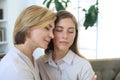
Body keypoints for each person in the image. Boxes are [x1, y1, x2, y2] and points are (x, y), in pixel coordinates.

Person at [0, 5, 56, 80]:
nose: (52, 35)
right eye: (47, 28)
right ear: (28, 27)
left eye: (52, 30)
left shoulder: (29, 58)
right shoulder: (16, 69)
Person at [37, 10, 96, 80]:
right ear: (51, 32)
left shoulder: (83, 66)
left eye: (70, 31)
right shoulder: (40, 63)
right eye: (59, 30)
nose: (65, 36)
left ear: (75, 35)